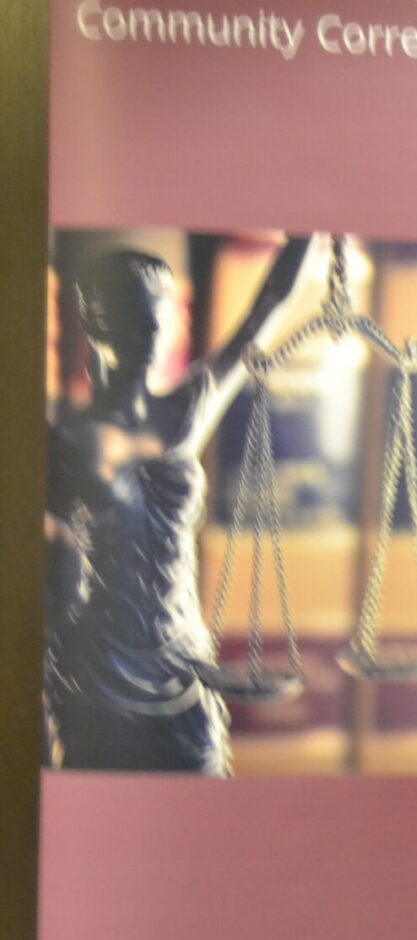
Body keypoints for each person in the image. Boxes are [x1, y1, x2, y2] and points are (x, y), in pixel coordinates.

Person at [45, 235, 316, 775]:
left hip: (184, 675)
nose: (153, 330)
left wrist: (312, 230)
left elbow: (269, 307)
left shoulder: (189, 411)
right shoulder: (67, 438)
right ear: (100, 324)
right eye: (136, 316)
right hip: (99, 681)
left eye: (160, 315)